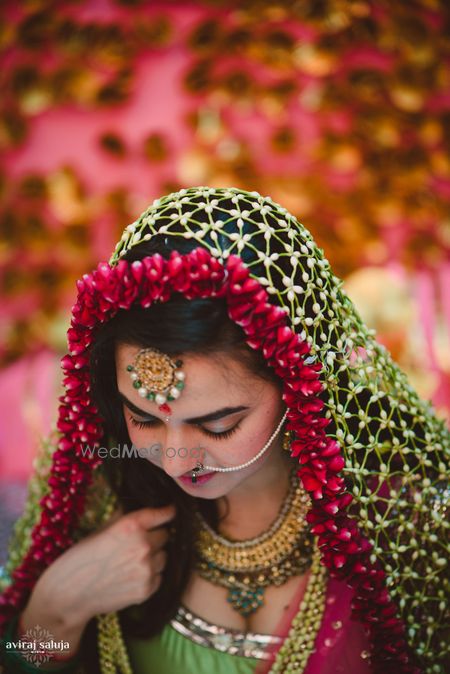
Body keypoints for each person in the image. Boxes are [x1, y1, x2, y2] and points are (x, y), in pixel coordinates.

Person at [0, 186, 448, 674]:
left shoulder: (405, 532)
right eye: (143, 418)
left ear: (299, 386)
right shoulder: (97, 498)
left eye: (217, 425)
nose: (173, 459)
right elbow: (24, 661)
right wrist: (52, 616)